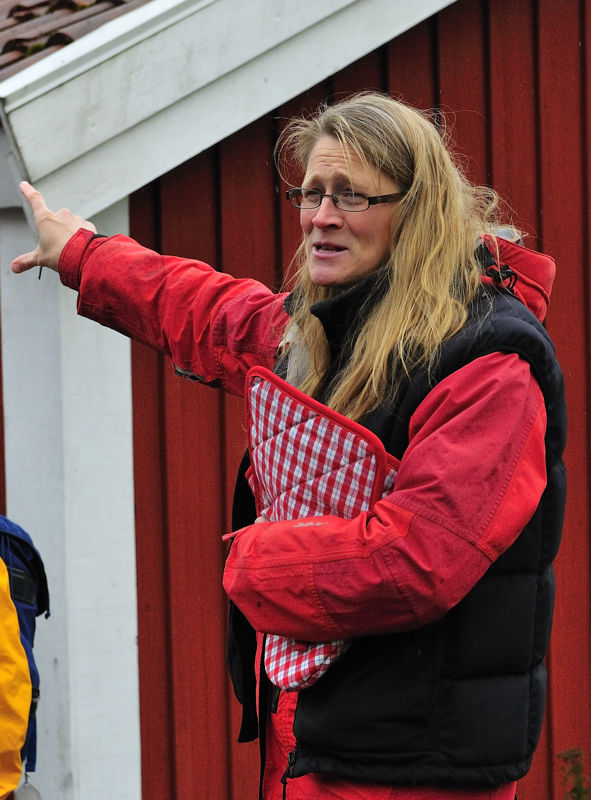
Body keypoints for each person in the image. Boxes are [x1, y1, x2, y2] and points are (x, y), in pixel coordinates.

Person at [12, 93, 566, 800]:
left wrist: (256, 561)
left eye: (351, 196)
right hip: (316, 735)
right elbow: (212, 311)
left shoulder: (488, 361)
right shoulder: (331, 325)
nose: (321, 218)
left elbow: (416, 560)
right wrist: (85, 255)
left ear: (416, 208)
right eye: (310, 192)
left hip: (412, 766)